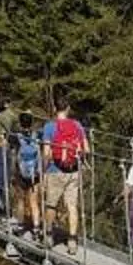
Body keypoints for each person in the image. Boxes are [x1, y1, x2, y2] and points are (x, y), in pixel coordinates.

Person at [43, 100, 88, 243]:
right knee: (72, 206)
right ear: (68, 108)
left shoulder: (49, 126)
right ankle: (73, 240)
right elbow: (86, 149)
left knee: (51, 204)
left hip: (55, 170)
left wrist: (44, 170)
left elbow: (46, 153)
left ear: (55, 109)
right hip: (73, 171)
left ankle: (49, 235)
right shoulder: (77, 125)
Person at [11, 117, 45, 238]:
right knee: (34, 202)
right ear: (32, 123)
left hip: (21, 174)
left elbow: (14, 153)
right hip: (34, 175)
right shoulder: (37, 135)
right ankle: (36, 228)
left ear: (20, 123)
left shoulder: (16, 136)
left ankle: (20, 226)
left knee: (20, 201)